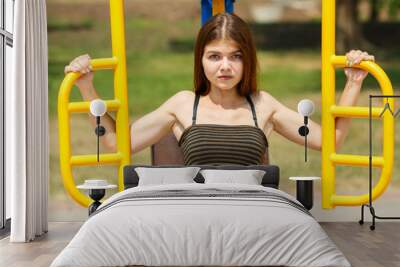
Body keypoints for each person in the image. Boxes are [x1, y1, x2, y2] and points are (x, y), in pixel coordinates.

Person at [64, 13, 375, 165]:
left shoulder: (263, 104)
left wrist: (353, 82)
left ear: (247, 61)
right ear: (201, 60)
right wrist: (86, 87)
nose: (225, 66)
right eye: (215, 56)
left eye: (235, 57)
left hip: (251, 216)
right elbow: (115, 144)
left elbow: (331, 142)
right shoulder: (183, 105)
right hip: (198, 213)